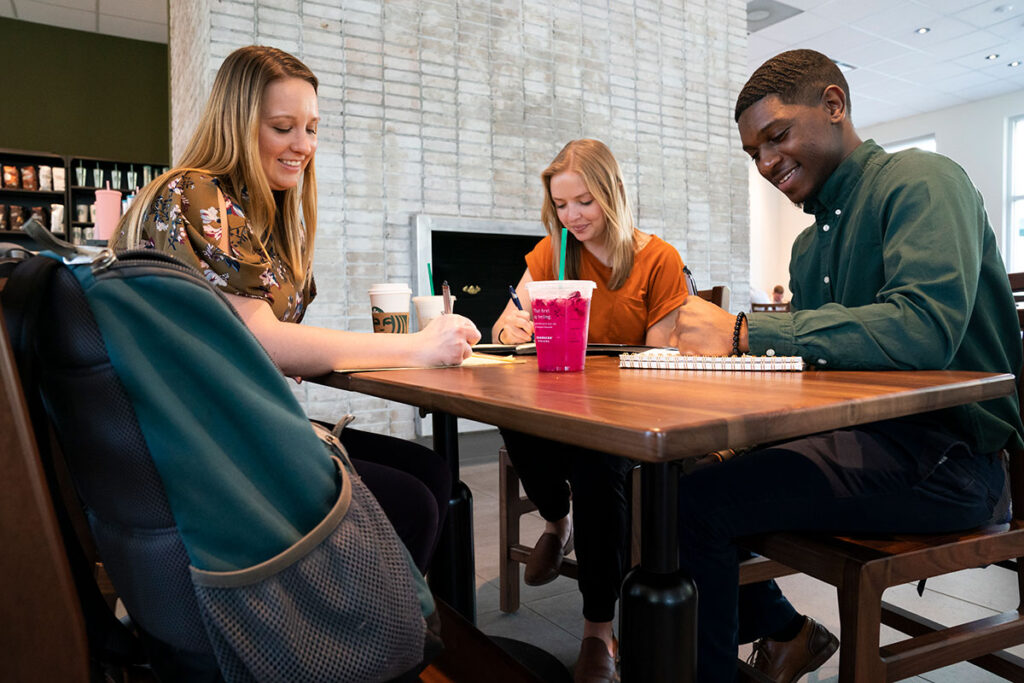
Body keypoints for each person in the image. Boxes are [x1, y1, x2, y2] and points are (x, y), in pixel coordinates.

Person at [668, 49, 1024, 682]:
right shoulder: (809, 246)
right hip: (864, 444)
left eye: (775, 137)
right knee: (677, 478)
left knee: (698, 505)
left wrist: (745, 331)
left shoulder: (924, 180)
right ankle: (782, 638)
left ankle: (767, 645)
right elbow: (819, 378)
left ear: (834, 105)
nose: (767, 162)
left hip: (953, 463)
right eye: (754, 153)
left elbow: (923, 328)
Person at [113, 45, 481, 574]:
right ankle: (347, 640)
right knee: (412, 503)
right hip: (202, 445)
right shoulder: (195, 193)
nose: (302, 145)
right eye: (283, 127)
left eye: (311, 128)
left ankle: (422, 641)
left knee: (432, 472)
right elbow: (264, 340)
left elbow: (248, 339)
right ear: (237, 124)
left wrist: (283, 354)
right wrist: (419, 346)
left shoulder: (256, 207)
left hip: (229, 422)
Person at [492, 139, 688, 683]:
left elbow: (660, 360)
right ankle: (556, 519)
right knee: (512, 411)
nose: (572, 216)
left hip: (620, 418)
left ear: (613, 194)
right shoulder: (551, 253)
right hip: (558, 404)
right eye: (561, 204)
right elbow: (503, 326)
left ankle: (597, 630)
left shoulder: (658, 259)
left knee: (598, 467)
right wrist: (513, 327)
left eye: (585, 202)